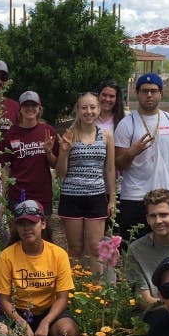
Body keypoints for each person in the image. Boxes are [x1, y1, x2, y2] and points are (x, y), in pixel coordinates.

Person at [0, 199, 80, 336]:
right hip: (16, 312)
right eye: (21, 224)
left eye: (32, 223)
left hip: (48, 312)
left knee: (68, 331)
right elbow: (3, 299)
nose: (27, 228)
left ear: (43, 224)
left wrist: (46, 322)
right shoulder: (6, 256)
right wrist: (20, 322)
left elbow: (62, 298)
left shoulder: (58, 255)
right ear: (16, 227)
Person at [114, 73, 169, 238]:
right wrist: (131, 152)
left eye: (153, 91)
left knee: (165, 245)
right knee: (133, 245)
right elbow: (119, 164)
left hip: (165, 195)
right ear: (137, 93)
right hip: (135, 196)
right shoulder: (127, 124)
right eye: (144, 91)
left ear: (161, 94)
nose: (149, 95)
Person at [56, 92, 116, 272]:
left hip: (96, 196)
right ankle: (74, 286)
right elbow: (60, 173)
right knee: (75, 248)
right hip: (71, 196)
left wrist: (112, 199)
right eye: (84, 108)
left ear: (99, 109)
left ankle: (96, 287)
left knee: (96, 248)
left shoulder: (106, 136)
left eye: (92, 107)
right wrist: (64, 152)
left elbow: (110, 169)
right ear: (78, 110)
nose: (88, 111)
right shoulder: (70, 135)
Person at [0, 91, 58, 239]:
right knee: (17, 238)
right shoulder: (11, 134)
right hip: (17, 194)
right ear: (20, 109)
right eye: (26, 105)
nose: (30, 108)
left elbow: (55, 164)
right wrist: (2, 199)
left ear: (39, 108)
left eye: (33, 105)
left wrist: (49, 152)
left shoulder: (48, 131)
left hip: (42, 194)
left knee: (44, 238)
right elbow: (4, 168)